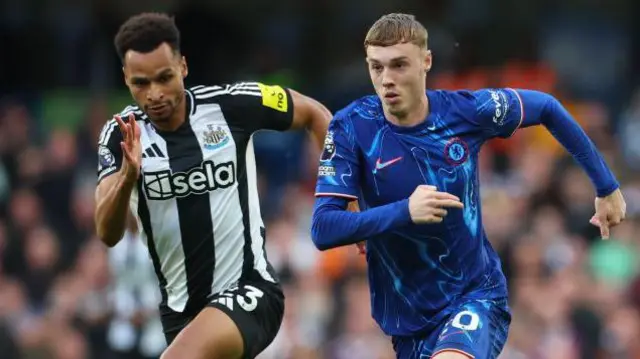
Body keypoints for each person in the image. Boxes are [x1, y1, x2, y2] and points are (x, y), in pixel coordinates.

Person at [310, 13, 626, 359]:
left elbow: (547, 108)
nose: (387, 80)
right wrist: (404, 211)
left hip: (475, 296)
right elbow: (324, 228)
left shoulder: (465, 112)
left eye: (399, 65)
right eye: (377, 67)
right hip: (407, 320)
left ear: (426, 62)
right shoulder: (351, 128)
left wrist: (606, 188)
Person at [94, 12, 331, 359]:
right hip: (180, 315)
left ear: (183, 67)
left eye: (164, 78)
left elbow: (314, 113)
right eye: (141, 83)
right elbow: (107, 232)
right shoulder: (121, 135)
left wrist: (343, 198)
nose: (155, 94)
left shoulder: (231, 105)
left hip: (251, 291)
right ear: (126, 79)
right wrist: (127, 179)